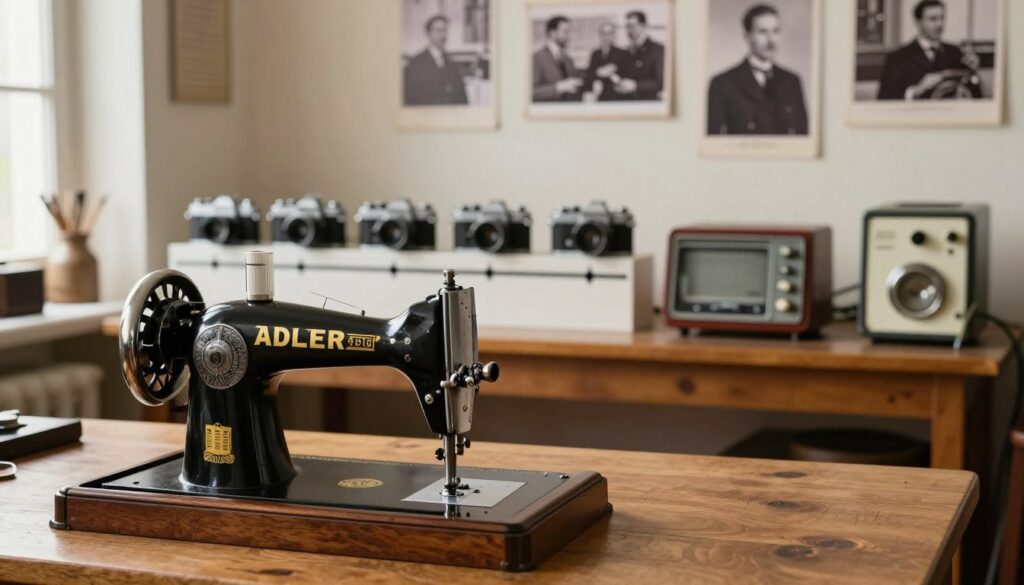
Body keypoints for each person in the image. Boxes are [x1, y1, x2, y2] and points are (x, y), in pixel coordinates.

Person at [706, 4, 808, 135]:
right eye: (762, 32)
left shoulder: (792, 81)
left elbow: (803, 137)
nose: (771, 40)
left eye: (775, 31)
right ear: (747, 36)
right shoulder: (723, 84)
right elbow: (713, 140)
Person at [877, 0, 981, 100]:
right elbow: (884, 99)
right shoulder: (897, 58)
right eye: (933, 19)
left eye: (942, 18)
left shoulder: (956, 53)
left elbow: (975, 97)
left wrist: (973, 72)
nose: (939, 24)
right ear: (918, 22)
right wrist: (915, 91)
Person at [403, 15, 469, 106]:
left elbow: (462, 98)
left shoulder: (452, 64)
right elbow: (410, 99)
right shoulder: (416, 63)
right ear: (429, 34)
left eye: (444, 30)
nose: (442, 35)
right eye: (438, 30)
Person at [616, 11, 665, 101]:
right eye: (627, 27)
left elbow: (660, 82)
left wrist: (636, 86)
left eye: (632, 26)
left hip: (647, 103)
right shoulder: (627, 51)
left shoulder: (658, 49)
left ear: (643, 26)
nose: (629, 30)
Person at [533, 16, 583, 102]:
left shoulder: (568, 59)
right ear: (552, 32)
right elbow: (531, 93)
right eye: (565, 32)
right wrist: (558, 88)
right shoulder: (537, 58)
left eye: (569, 32)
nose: (569, 36)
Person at [583, 22, 628, 101]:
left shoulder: (622, 53)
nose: (606, 37)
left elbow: (625, 75)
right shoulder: (595, 53)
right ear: (600, 35)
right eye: (603, 34)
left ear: (613, 35)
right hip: (598, 93)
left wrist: (611, 74)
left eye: (609, 33)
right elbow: (589, 74)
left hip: (616, 95)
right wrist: (598, 72)